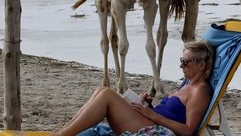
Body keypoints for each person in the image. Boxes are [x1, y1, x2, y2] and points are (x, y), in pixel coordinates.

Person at [52, 41, 215, 136]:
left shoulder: (199, 91)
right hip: (151, 123)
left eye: (186, 62)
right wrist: (147, 105)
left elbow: (188, 131)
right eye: (181, 60)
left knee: (107, 95)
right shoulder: (187, 85)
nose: (181, 65)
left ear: (201, 65)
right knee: (101, 90)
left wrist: (152, 115)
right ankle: (63, 132)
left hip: (157, 133)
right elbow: (171, 113)